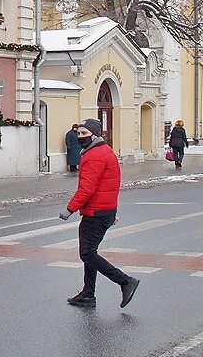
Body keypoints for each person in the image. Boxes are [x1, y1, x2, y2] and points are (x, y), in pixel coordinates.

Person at [61, 119, 141, 309]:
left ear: (95, 135)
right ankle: (88, 294)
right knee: (90, 252)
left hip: (96, 212)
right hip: (104, 210)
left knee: (87, 254)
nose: (80, 137)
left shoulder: (94, 156)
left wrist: (69, 209)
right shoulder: (104, 151)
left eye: (84, 134)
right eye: (79, 134)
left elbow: (87, 189)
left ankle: (125, 281)